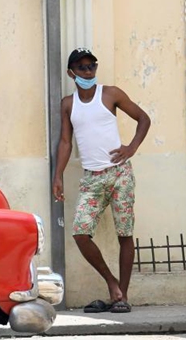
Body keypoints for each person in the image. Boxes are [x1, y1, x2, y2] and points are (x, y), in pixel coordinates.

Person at [52, 48, 151, 314]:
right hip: (92, 178)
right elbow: (65, 142)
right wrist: (57, 176)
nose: (88, 72)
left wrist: (130, 148)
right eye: (82, 68)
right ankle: (112, 283)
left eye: (92, 66)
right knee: (80, 233)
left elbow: (143, 118)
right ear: (71, 72)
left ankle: (123, 297)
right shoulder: (68, 104)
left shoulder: (110, 94)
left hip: (120, 174)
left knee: (124, 233)